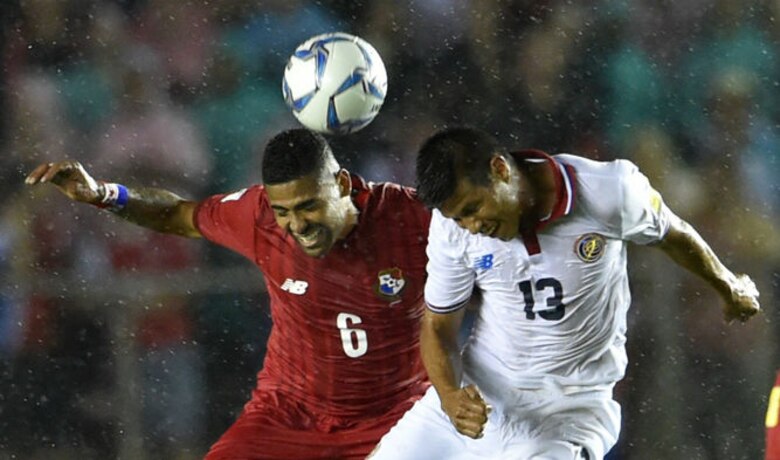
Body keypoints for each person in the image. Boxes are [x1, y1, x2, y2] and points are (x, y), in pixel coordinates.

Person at [25, 128, 432, 459]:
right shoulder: (257, 216)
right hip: (289, 416)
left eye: (308, 206)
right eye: (284, 211)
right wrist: (105, 194)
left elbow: (489, 249)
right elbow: (179, 213)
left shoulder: (412, 218)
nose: (297, 225)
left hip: (395, 418)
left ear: (342, 184)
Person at [368, 126, 761, 460]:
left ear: (500, 169)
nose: (472, 225)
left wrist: (728, 285)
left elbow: (673, 235)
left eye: (473, 208)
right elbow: (438, 326)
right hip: (478, 399)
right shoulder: (451, 227)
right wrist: (451, 396)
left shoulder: (609, 191)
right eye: (460, 217)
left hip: (568, 412)